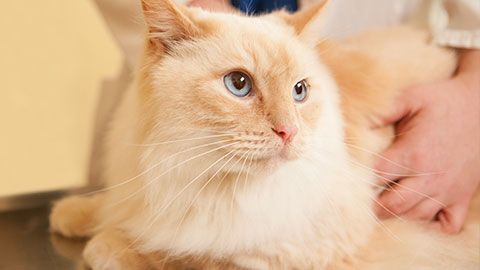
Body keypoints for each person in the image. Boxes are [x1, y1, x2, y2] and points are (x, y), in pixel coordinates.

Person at [94, 0, 480, 234]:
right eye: (240, 84)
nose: (284, 126)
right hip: (177, 95)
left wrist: (473, 99)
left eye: (298, 93)